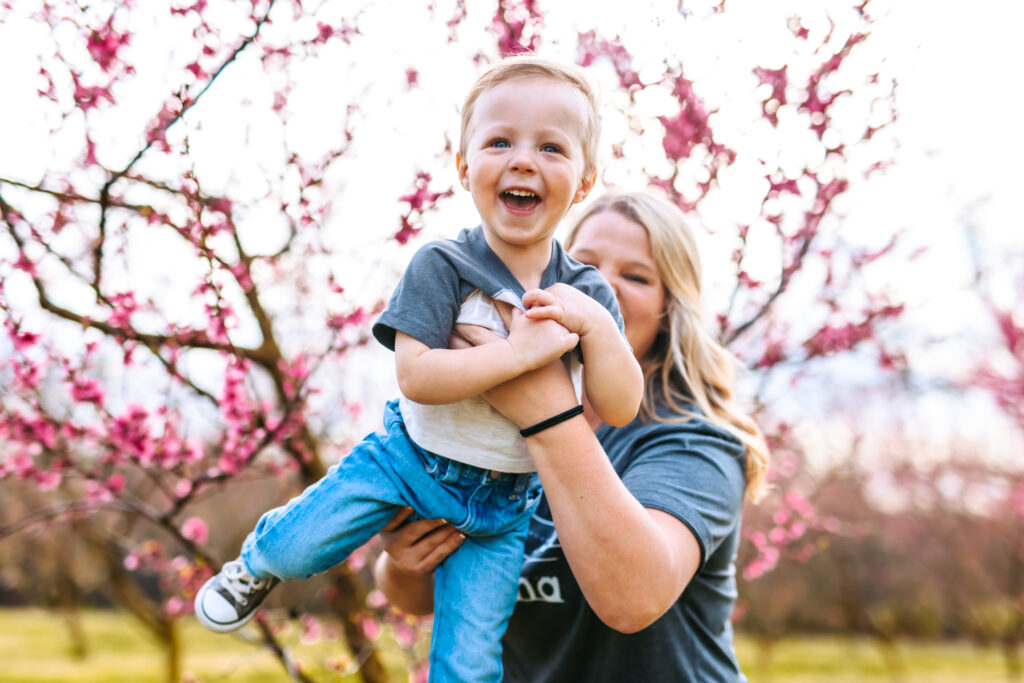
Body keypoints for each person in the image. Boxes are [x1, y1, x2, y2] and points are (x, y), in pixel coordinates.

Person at [193, 56, 643, 683]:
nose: (522, 159)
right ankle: (256, 563)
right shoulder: (443, 265)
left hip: (505, 508)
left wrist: (595, 328)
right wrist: (515, 355)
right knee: (298, 551)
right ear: (464, 168)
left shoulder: (586, 292)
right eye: (499, 142)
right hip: (405, 464)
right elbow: (417, 376)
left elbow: (619, 405)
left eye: (550, 147)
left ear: (585, 180)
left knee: (469, 661)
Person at [374, 190, 770, 682]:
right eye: (586, 264)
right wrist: (403, 559)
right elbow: (415, 597)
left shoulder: (694, 443)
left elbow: (634, 600)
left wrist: (546, 413)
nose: (604, 286)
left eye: (638, 276)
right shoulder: (487, 418)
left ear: (669, 310)